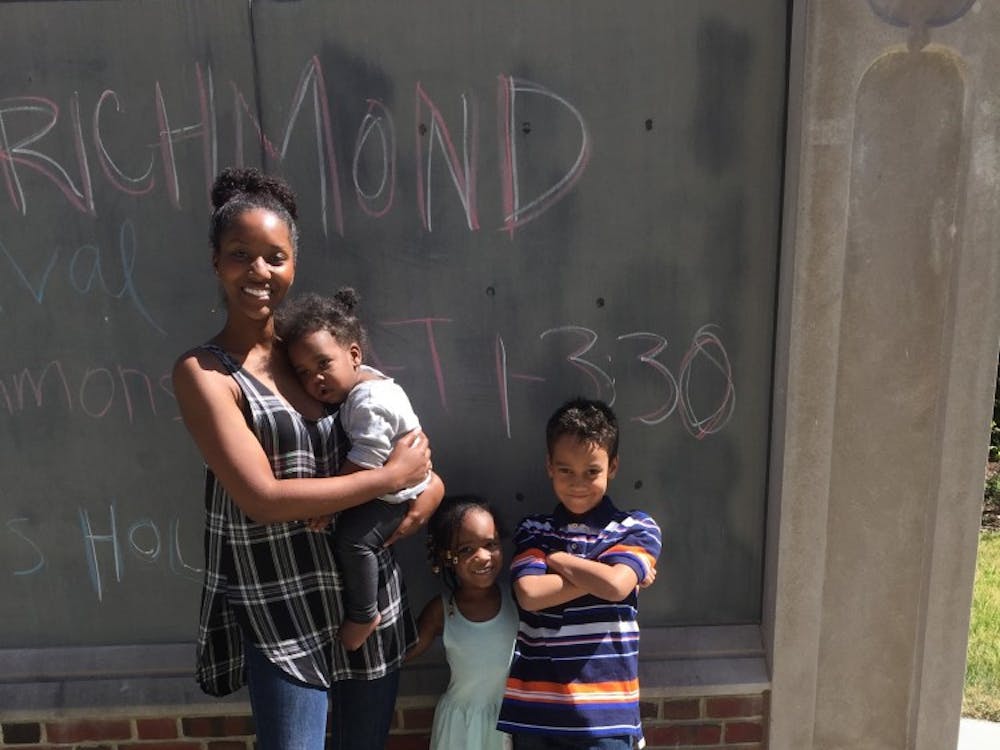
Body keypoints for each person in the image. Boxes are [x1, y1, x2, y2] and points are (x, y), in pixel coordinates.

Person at [172, 166, 443, 750]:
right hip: (281, 607)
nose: (259, 272)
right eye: (241, 254)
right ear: (217, 260)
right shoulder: (206, 373)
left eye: (276, 256)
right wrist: (388, 479)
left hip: (362, 604)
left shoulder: (321, 355)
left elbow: (409, 447)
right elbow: (262, 500)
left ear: (294, 262)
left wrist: (424, 492)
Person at [497, 398, 661, 750]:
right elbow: (530, 594)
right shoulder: (534, 528)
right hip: (536, 711)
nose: (578, 483)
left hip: (606, 715)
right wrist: (601, 574)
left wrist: (555, 558)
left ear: (613, 467)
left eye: (592, 471)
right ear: (549, 467)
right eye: (565, 470)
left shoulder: (636, 526)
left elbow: (616, 587)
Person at [275, 288, 431, 651]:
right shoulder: (367, 385)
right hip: (394, 487)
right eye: (304, 372)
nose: (316, 379)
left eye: (324, 364)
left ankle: (364, 613)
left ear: (354, 354)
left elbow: (369, 456)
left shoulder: (368, 400)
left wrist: (330, 504)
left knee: (354, 541)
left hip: (394, 495)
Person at [407, 495, 518, 750]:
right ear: (446, 557)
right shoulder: (442, 609)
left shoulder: (516, 598)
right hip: (459, 727)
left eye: (490, 544)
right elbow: (405, 651)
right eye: (466, 549)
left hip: (507, 722)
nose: (483, 556)